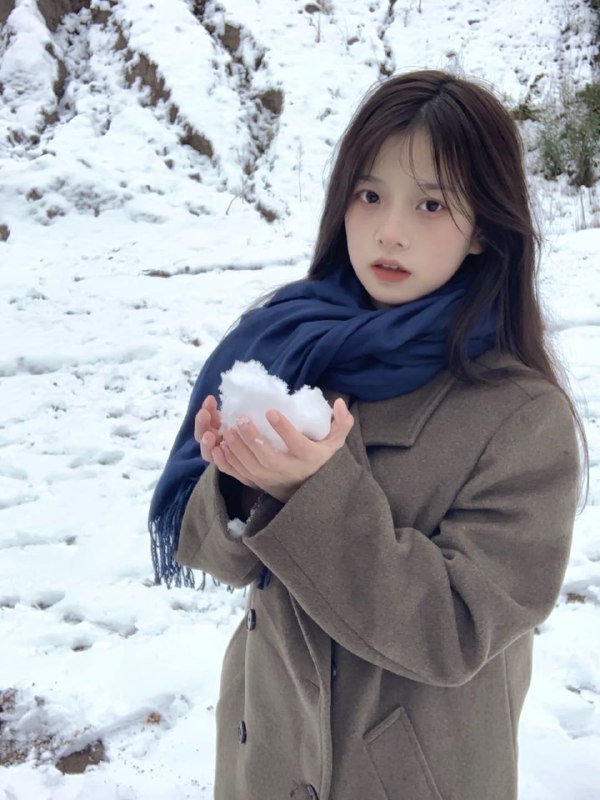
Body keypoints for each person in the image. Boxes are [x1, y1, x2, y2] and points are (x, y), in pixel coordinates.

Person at [149, 70, 584, 800]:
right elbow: (221, 558)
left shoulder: (520, 416)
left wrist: (309, 494)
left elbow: (457, 632)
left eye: (431, 204)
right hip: (269, 755)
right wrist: (238, 480)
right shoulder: (295, 345)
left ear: (484, 226)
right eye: (370, 194)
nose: (389, 230)